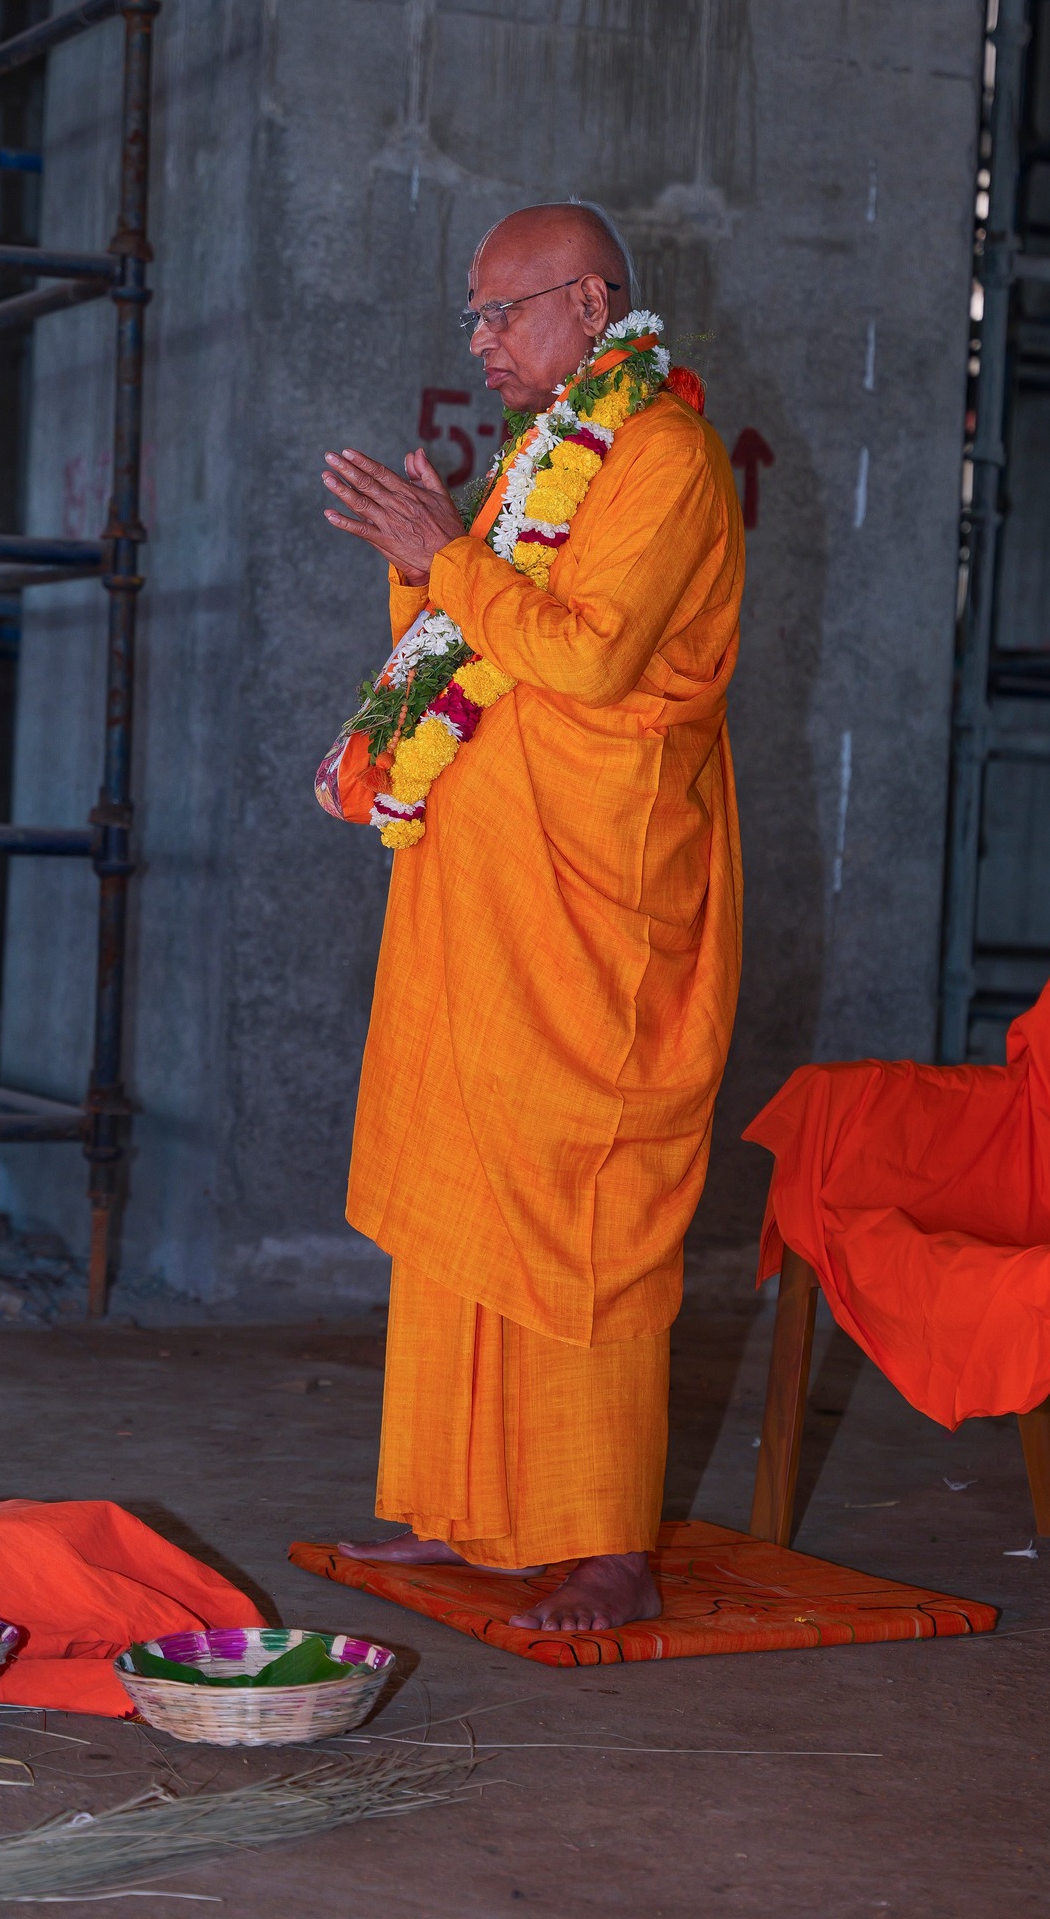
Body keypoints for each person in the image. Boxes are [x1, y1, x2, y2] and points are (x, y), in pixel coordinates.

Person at [319, 202, 744, 1632]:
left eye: (503, 312)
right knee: (469, 1183)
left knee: (580, 1201)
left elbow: (591, 655)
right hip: (489, 884)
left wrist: (448, 551)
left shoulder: (665, 457)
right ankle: (465, 1512)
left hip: (594, 891)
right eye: (474, 317)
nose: (482, 341)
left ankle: (608, 1539)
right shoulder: (539, 458)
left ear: (591, 302)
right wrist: (422, 560)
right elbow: (464, 647)